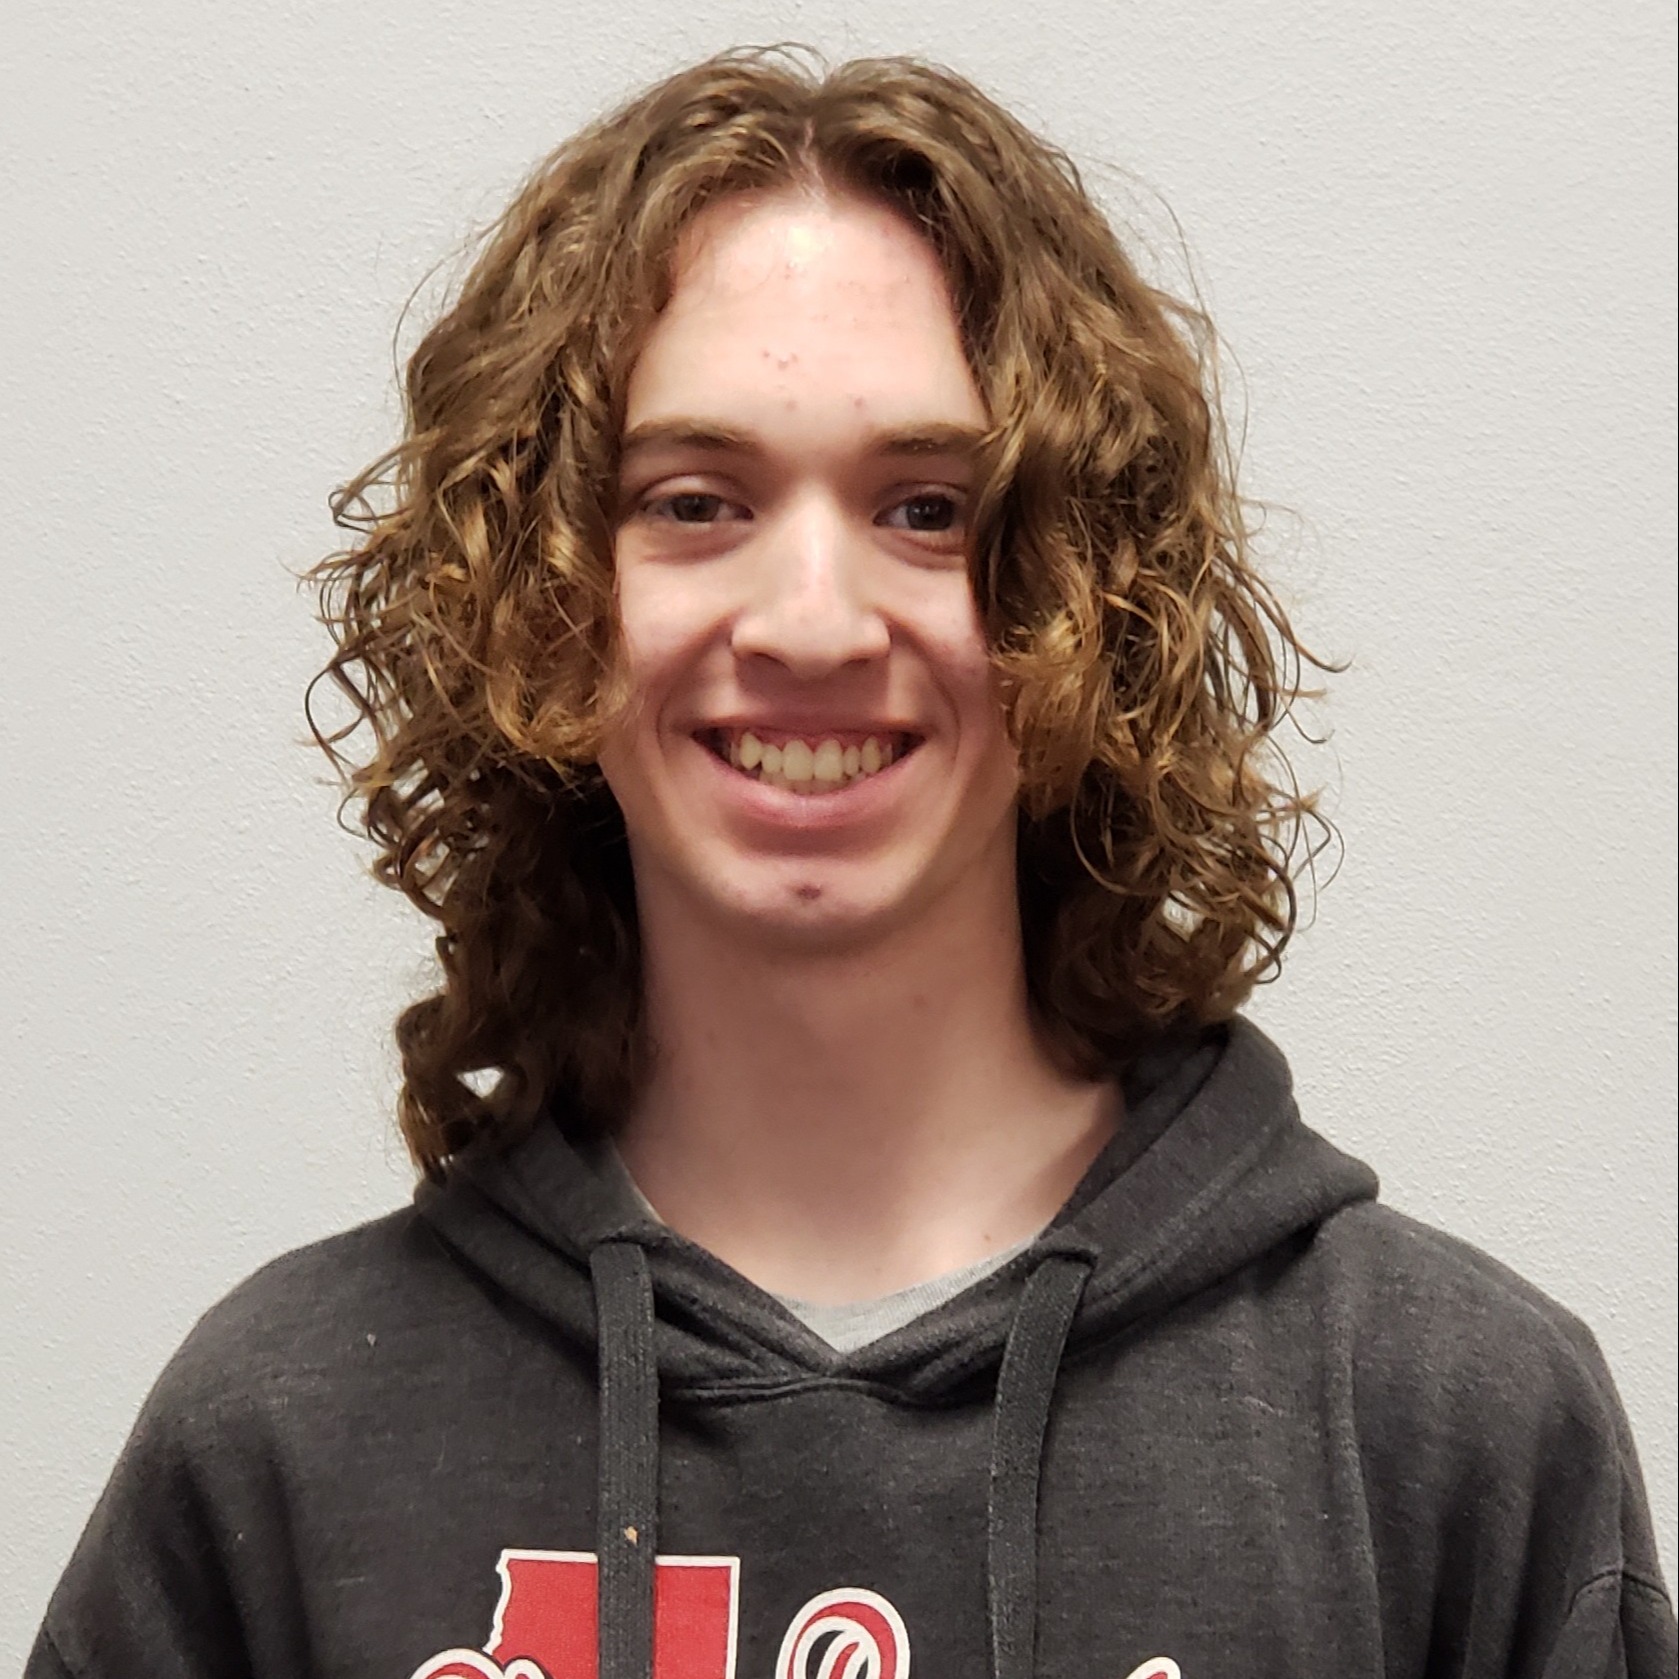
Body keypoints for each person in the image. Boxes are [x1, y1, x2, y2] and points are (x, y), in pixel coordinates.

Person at [29, 49, 1674, 1679]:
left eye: (931, 511)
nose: (811, 621)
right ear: (541, 601)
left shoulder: (1446, 1436)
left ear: (1090, 600)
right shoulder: (278, 1450)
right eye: (692, 500)